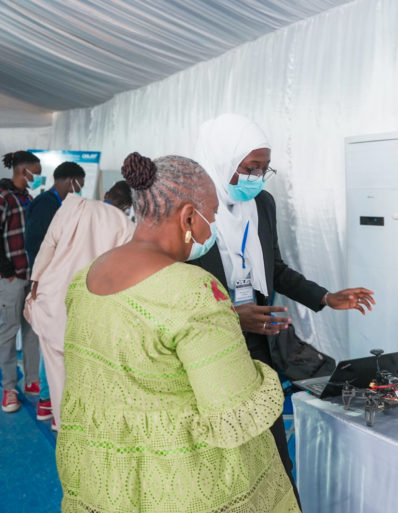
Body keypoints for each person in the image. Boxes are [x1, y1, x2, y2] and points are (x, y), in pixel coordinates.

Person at [57, 153, 299, 513]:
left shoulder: (88, 276)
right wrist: (264, 375)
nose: (212, 227)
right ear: (188, 216)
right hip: (176, 482)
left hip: (104, 476)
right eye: (212, 216)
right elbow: (233, 412)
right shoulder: (193, 290)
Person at [191, 113, 375, 499]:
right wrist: (229, 316)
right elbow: (177, 288)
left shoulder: (262, 204)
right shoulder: (191, 210)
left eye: (264, 169)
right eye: (249, 168)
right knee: (222, 459)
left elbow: (273, 267)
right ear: (221, 159)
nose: (256, 177)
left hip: (261, 341)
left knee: (274, 455)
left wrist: (324, 297)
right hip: (208, 347)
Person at [25, 180, 135, 429]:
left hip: (52, 296)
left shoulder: (74, 205)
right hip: (90, 306)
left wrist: (36, 283)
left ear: (106, 193)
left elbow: (49, 244)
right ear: (129, 206)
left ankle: (58, 418)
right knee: (86, 370)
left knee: (55, 368)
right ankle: (83, 425)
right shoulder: (126, 226)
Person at [23, 161, 86, 422]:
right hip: (47, 280)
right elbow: (36, 242)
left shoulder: (54, 204)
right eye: (79, 184)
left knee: (52, 340)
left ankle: (49, 401)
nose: (80, 189)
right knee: (51, 341)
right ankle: (48, 402)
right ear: (71, 181)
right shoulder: (48, 204)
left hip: (50, 279)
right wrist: (51, 271)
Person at [0, 151, 43, 413]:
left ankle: (32, 382)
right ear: (23, 170)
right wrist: (6, 268)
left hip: (32, 275)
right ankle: (8, 388)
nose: (37, 177)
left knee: (32, 330)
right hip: (11, 277)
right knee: (9, 330)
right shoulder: (3, 198)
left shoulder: (29, 198)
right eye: (35, 172)